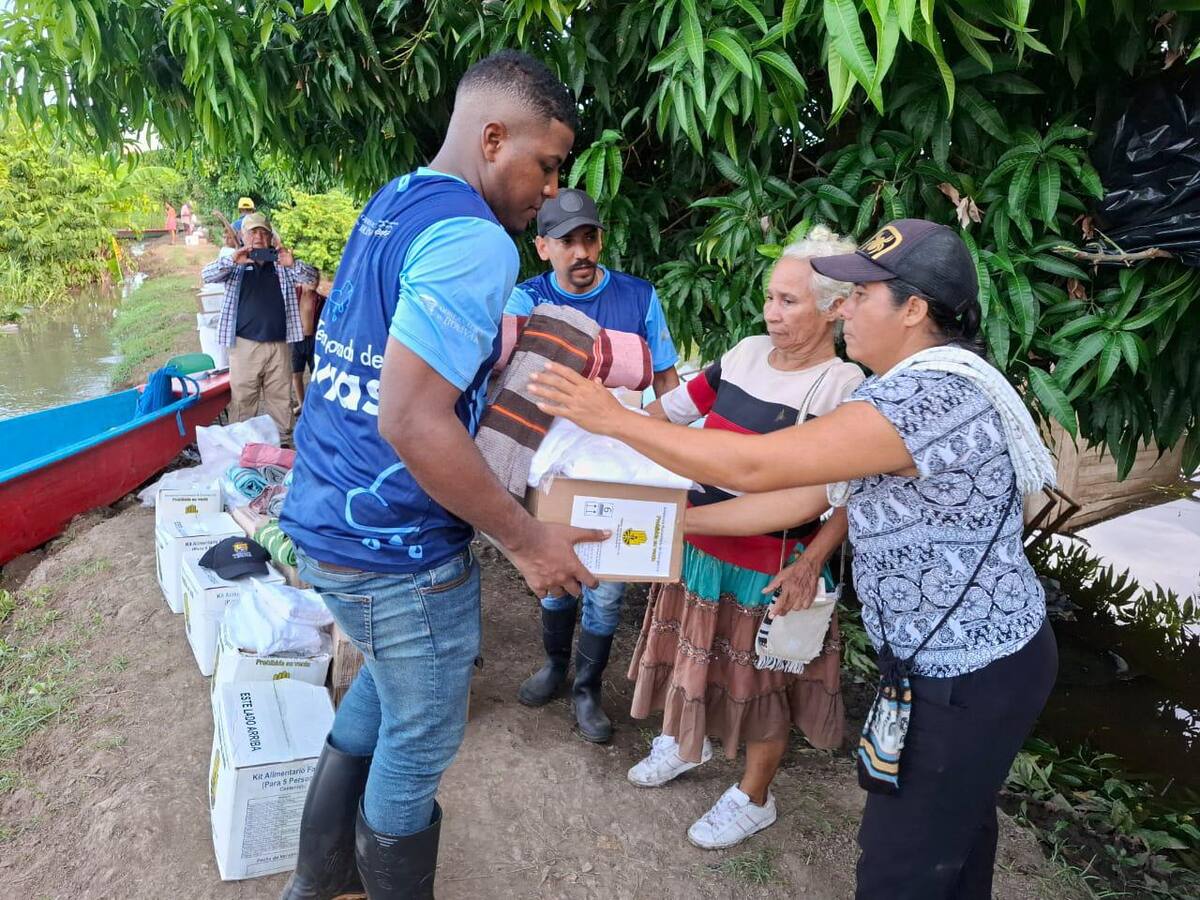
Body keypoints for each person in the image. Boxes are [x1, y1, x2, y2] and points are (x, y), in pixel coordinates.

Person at [529, 219, 1059, 899]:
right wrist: (668, 525)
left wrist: (613, 419)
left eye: (861, 295)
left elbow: (755, 465)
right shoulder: (902, 389)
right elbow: (790, 499)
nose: (845, 307)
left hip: (968, 671)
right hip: (953, 661)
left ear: (915, 310)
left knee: (901, 870)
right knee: (954, 848)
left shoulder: (929, 398)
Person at [277, 51, 605, 900]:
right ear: (494, 138)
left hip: (327, 513)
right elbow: (412, 418)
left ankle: (320, 883)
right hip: (397, 549)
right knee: (420, 739)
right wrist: (530, 542)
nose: (549, 187)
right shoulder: (473, 242)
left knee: (386, 695)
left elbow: (369, 368)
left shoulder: (398, 200)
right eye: (546, 162)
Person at [613, 226, 864, 849]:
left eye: (788, 302)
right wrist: (603, 432)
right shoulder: (746, 353)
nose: (770, 313)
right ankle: (687, 744)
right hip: (702, 553)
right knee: (689, 658)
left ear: (836, 308)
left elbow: (850, 498)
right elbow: (669, 415)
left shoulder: (843, 388)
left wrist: (811, 563)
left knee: (762, 685)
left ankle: (755, 795)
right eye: (770, 297)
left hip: (770, 569)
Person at [507, 187, 682, 742]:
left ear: (601, 239)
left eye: (590, 238)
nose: (581, 252)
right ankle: (556, 667)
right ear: (543, 247)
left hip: (621, 466)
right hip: (551, 465)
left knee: (606, 583)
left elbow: (668, 381)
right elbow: (505, 380)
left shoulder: (638, 296)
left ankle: (587, 687)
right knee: (556, 576)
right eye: (566, 242)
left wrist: (673, 454)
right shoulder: (523, 301)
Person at [200, 212, 315, 439]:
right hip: (244, 346)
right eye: (253, 232)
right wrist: (232, 259)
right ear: (243, 236)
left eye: (264, 232)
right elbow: (206, 275)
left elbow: (312, 279)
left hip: (280, 345)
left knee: (281, 399)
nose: (258, 238)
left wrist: (294, 264)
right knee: (243, 399)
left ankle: (281, 446)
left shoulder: (282, 264)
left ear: (271, 238)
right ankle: (242, 447)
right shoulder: (235, 263)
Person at [290, 272, 325, 411]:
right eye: (311, 278)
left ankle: (315, 404)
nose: (314, 281)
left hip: (314, 341)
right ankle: (302, 404)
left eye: (317, 279)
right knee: (296, 374)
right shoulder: (293, 295)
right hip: (296, 340)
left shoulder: (322, 300)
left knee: (316, 374)